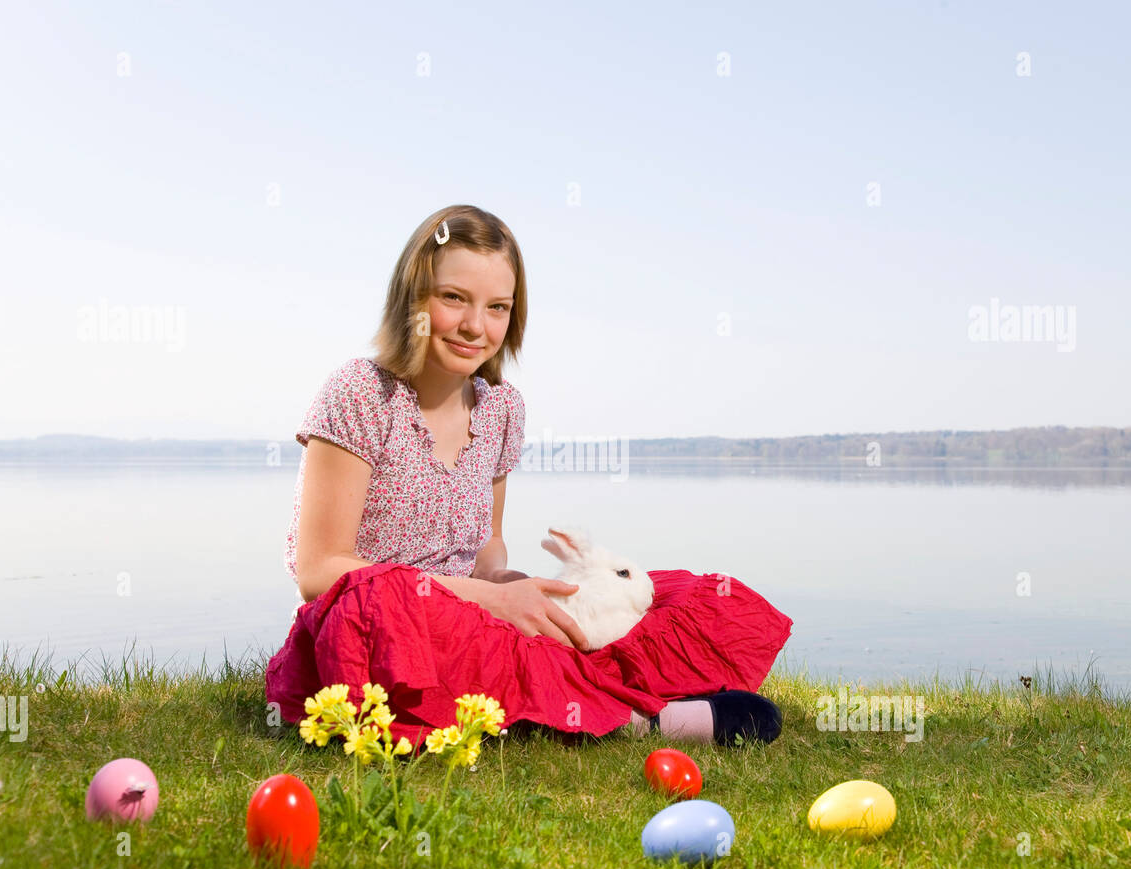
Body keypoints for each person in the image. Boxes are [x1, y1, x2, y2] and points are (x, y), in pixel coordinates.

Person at [268, 204, 789, 747]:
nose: (476, 326)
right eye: (453, 298)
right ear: (413, 300)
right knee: (373, 607)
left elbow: (488, 543)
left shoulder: (501, 409)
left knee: (688, 596)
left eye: (497, 307)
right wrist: (482, 599)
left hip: (473, 614)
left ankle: (581, 693)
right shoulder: (360, 393)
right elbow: (321, 570)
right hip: (384, 627)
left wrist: (504, 584)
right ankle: (640, 719)